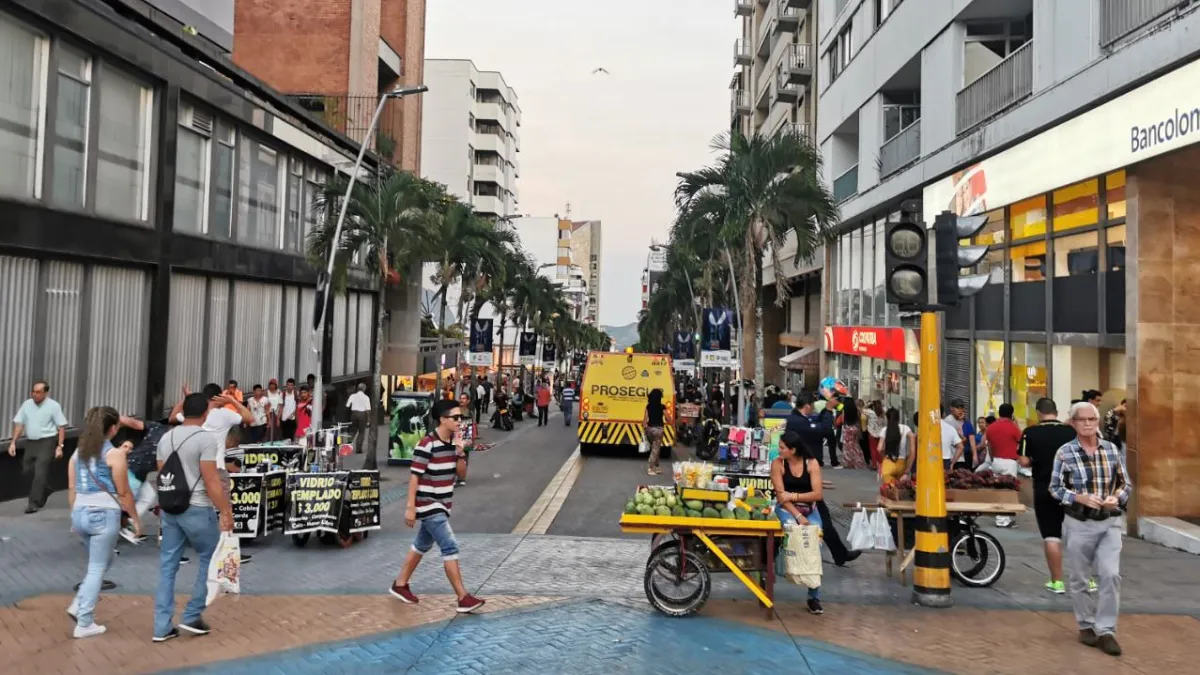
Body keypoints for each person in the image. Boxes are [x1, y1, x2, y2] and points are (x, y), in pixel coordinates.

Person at [1050, 401, 1132, 657]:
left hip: (1109, 522)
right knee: (1080, 577)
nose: (1088, 424)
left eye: (1092, 420)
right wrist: (1079, 498)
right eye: (1082, 420)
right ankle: (1086, 625)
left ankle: (1106, 630)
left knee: (1110, 574)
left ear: (1098, 422)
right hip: (1079, 523)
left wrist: (1116, 498)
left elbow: (1125, 483)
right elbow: (1055, 488)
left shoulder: (1111, 449)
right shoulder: (1065, 453)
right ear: (1073, 423)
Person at [388, 399, 485, 613]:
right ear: (442, 419)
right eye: (456, 418)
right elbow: (414, 477)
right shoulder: (427, 444)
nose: (460, 422)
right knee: (450, 547)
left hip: (443, 503)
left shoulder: (453, 444)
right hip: (429, 504)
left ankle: (400, 584)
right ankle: (463, 597)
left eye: (461, 417)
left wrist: (460, 453)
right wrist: (410, 507)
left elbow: (461, 474)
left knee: (422, 545)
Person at [153, 393, 235, 642]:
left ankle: (161, 626)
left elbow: (162, 474)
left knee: (168, 566)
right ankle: (192, 615)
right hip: (198, 507)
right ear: (205, 414)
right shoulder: (205, 439)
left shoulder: (166, 438)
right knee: (209, 560)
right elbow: (211, 480)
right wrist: (225, 511)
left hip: (171, 509)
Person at [66, 406, 139, 639]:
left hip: (80, 512)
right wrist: (135, 519)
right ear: (113, 428)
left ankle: (80, 603)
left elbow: (71, 487)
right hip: (103, 514)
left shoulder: (78, 453)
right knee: (98, 566)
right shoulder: (114, 454)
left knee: (103, 560)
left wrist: (73, 515)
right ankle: (84, 620)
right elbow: (124, 491)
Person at [1018, 397, 1080, 595]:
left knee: (1051, 536)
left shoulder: (1030, 432)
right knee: (1078, 534)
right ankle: (1086, 580)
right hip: (1071, 489)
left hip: (1045, 487)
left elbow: (1024, 461)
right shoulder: (1071, 432)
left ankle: (1057, 582)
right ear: (1056, 411)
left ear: (1038, 412)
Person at [770, 430, 826, 615]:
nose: (779, 450)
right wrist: (798, 516)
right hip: (786, 509)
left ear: (793, 450)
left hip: (810, 509)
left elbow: (818, 494)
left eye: (782, 448)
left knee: (815, 543)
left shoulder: (812, 464)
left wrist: (794, 495)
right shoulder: (778, 464)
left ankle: (813, 596)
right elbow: (780, 496)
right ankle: (780, 569)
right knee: (791, 531)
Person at [8, 380, 69, 513]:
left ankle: (33, 503)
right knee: (26, 470)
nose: (34, 394)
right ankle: (45, 489)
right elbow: (19, 424)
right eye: (33, 392)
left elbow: (61, 427)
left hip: (47, 441)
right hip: (31, 442)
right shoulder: (27, 404)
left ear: (46, 393)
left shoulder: (53, 406)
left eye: (38, 392)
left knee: (40, 471)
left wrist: (60, 446)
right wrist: (13, 442)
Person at [983, 403, 1023, 528]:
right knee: (1007, 491)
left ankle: (999, 515)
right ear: (1011, 414)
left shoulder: (991, 427)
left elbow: (989, 445)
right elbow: (1022, 440)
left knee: (998, 489)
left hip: (996, 460)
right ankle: (1003, 519)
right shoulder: (1012, 427)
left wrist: (992, 458)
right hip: (1009, 462)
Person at [784, 399, 832, 467]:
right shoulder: (800, 421)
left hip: (801, 459)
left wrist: (825, 410)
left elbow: (816, 421)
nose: (814, 408)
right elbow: (825, 429)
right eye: (813, 405)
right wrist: (829, 410)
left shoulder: (797, 418)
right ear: (807, 406)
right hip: (805, 461)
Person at [878, 408, 916, 482]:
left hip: (888, 463)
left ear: (887, 418)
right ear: (899, 418)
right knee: (900, 491)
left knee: (889, 490)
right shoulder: (906, 429)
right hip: (902, 464)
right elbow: (913, 453)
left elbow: (879, 449)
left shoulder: (884, 430)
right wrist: (907, 471)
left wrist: (884, 457)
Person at [643, 388, 669, 476]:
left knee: (656, 448)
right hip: (658, 430)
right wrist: (671, 422)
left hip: (649, 429)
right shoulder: (662, 407)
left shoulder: (648, 406)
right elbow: (667, 417)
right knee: (655, 449)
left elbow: (645, 420)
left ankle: (657, 467)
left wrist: (644, 429)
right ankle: (650, 468)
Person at [837, 398, 866, 469]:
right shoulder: (857, 410)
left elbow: (843, 421)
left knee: (847, 446)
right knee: (855, 445)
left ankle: (848, 462)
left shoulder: (844, 411)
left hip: (847, 429)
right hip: (855, 428)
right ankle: (858, 462)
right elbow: (859, 420)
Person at [346, 382, 371, 454]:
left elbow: (347, 405)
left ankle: (347, 447)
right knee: (361, 432)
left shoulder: (352, 396)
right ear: (364, 389)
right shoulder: (366, 397)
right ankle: (358, 449)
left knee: (353, 431)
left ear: (357, 388)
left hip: (353, 414)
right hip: (362, 415)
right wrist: (369, 419)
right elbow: (368, 410)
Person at [865, 401, 885, 469]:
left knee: (873, 450)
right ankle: (881, 463)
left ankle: (874, 465)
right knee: (880, 449)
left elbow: (862, 409)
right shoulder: (883, 413)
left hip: (872, 434)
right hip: (881, 434)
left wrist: (868, 404)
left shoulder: (871, 413)